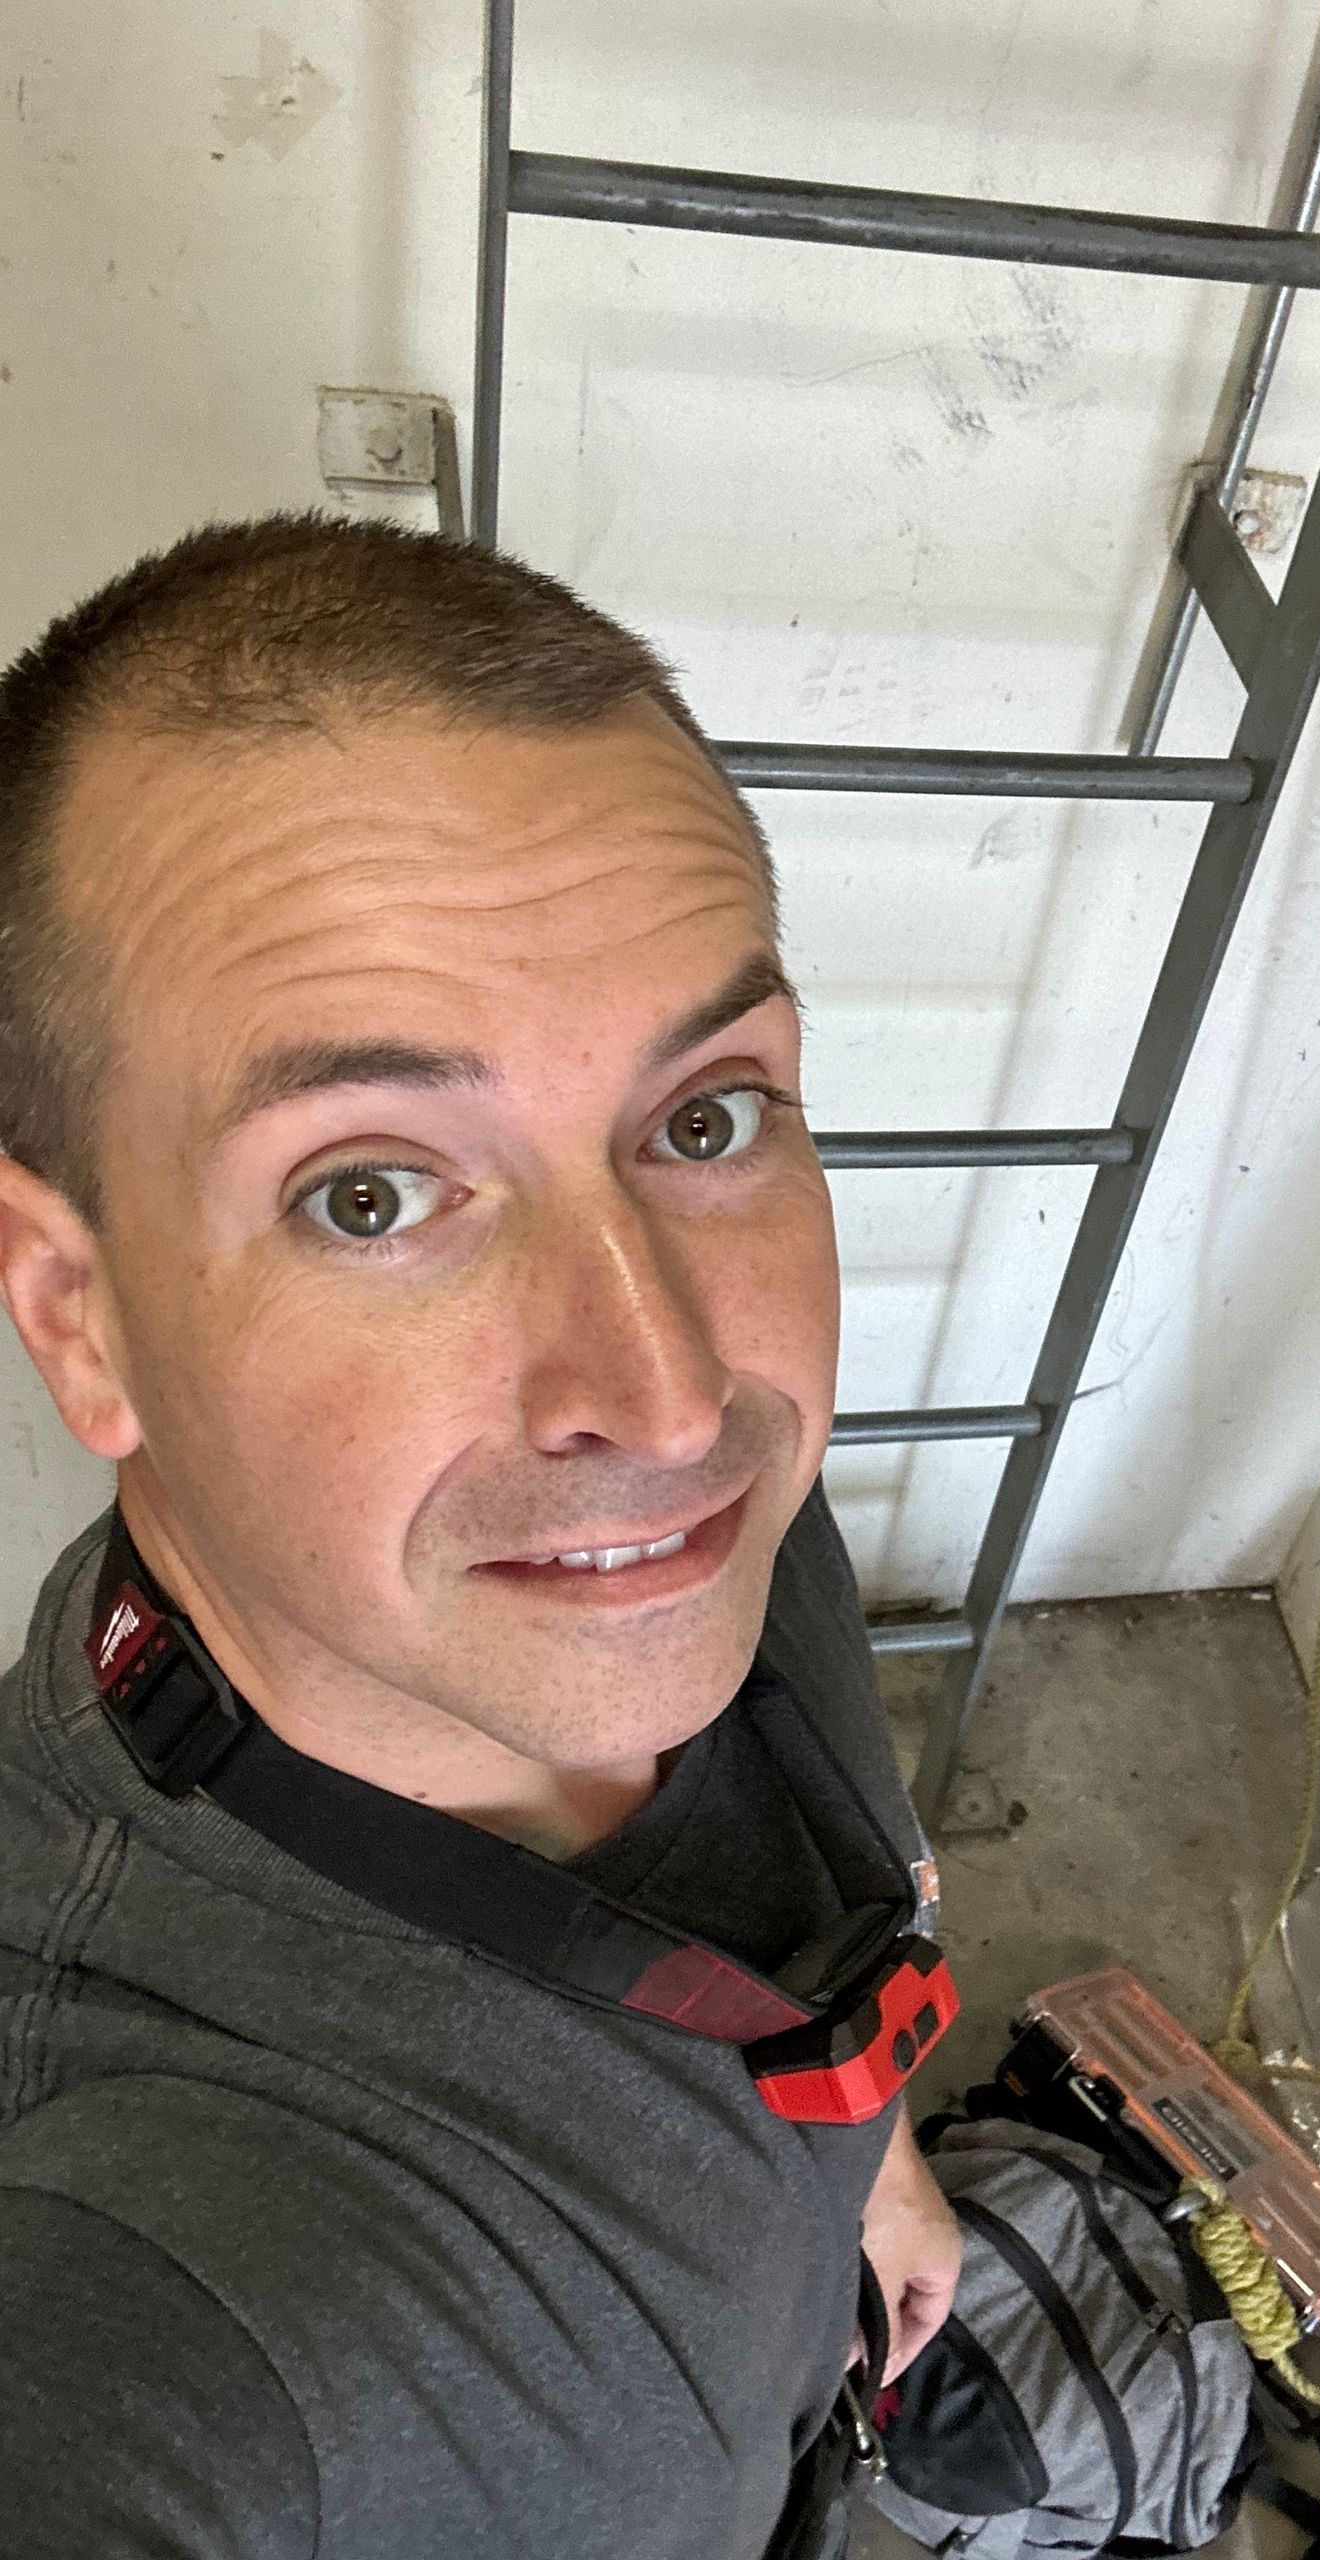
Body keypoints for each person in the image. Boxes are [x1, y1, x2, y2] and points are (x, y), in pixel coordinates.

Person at [0, 516, 963, 2558]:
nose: (672, 1387)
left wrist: (860, 2156)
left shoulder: (692, 1540)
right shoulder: (142, 2252)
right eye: (371, 1190)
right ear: (81, 1315)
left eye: (704, 1118)